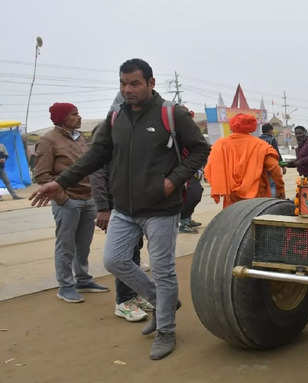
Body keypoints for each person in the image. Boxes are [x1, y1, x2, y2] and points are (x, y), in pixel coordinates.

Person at [30, 58, 210, 360]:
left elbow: (202, 149)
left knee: (163, 270)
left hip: (161, 208)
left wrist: (172, 181)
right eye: (123, 83)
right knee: (113, 260)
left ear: (151, 83)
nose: (128, 89)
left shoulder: (171, 114)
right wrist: (60, 182)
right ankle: (162, 300)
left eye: (135, 83)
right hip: (125, 209)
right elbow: (94, 157)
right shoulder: (114, 119)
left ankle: (165, 329)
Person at [33, 102, 109, 304]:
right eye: (74, 114)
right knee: (65, 246)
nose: (79, 117)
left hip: (88, 199)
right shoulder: (48, 141)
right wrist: (62, 199)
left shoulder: (80, 138)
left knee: (83, 245)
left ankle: (83, 280)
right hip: (68, 201)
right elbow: (41, 175)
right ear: (62, 118)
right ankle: (65, 286)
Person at [90, 123, 150, 322]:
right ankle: (123, 302)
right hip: (117, 209)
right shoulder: (103, 152)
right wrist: (103, 209)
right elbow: (97, 180)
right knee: (122, 256)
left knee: (134, 252)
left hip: (134, 208)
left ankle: (135, 295)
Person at [204, 114, 285, 208]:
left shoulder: (220, 145)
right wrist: (280, 189)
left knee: (234, 221)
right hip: (257, 198)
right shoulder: (261, 145)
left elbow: (211, 170)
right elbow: (275, 169)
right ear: (252, 126)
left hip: (232, 198)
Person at [258, 123, 286, 197]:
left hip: (259, 166)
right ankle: (272, 201)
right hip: (271, 165)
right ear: (270, 130)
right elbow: (277, 153)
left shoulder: (257, 140)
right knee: (272, 184)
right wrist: (283, 166)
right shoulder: (272, 139)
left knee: (263, 184)